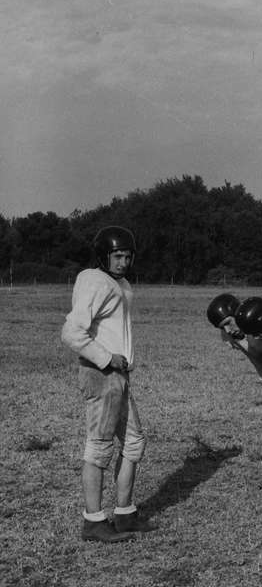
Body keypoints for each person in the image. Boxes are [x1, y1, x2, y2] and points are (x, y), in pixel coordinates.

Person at [61, 226, 157, 543]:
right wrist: (106, 358)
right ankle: (93, 520)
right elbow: (73, 333)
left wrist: (120, 362)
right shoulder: (93, 280)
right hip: (100, 374)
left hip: (119, 376)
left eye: (128, 256)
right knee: (99, 447)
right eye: (117, 256)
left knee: (133, 443)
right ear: (104, 255)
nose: (123, 262)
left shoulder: (121, 284)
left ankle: (125, 513)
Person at [206, 293, 262, 490]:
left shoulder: (261, 323)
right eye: (222, 327)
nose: (228, 330)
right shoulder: (234, 335)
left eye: (229, 322)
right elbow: (261, 365)